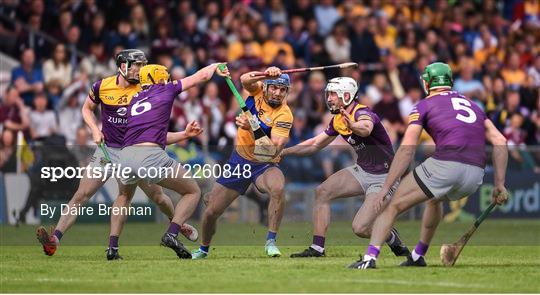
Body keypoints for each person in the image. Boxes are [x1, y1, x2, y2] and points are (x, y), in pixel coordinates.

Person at [36, 50, 197, 260]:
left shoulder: (145, 89)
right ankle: (55, 240)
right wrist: (94, 129)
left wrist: (183, 134)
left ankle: (177, 223)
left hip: (135, 151)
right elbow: (86, 109)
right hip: (107, 150)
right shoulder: (102, 86)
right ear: (122, 66)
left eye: (142, 65)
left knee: (157, 196)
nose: (140, 70)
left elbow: (155, 133)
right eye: (136, 65)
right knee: (81, 195)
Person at [349, 62, 508, 269]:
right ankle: (417, 255)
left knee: (391, 206)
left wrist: (386, 188)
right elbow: (500, 140)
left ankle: (369, 259)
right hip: (475, 175)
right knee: (435, 200)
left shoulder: (423, 105)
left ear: (428, 82)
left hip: (446, 165)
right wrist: (500, 184)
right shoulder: (473, 105)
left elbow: (407, 149)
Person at [282, 77, 410, 258]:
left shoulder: (363, 113)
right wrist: (284, 152)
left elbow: (365, 128)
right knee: (322, 191)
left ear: (347, 96)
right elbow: (314, 144)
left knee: (361, 228)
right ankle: (317, 248)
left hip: (384, 177)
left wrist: (353, 125)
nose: (329, 98)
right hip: (362, 170)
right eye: (329, 94)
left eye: (334, 94)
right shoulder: (338, 120)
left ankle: (390, 236)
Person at [118, 63, 227, 259]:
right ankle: (172, 233)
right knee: (192, 191)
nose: (167, 78)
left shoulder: (133, 101)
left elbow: (157, 136)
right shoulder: (165, 89)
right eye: (164, 75)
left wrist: (184, 134)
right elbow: (201, 77)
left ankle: (112, 246)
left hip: (125, 158)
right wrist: (215, 65)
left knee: (125, 198)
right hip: (149, 156)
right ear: (156, 78)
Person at [192, 66, 293, 259]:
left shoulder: (284, 114)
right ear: (265, 87)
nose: (278, 93)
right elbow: (245, 79)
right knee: (211, 211)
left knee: (278, 188)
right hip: (240, 161)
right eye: (274, 88)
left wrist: (252, 126)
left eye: (282, 90)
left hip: (265, 163)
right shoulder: (256, 92)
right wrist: (266, 72)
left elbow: (273, 148)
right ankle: (203, 249)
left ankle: (271, 242)